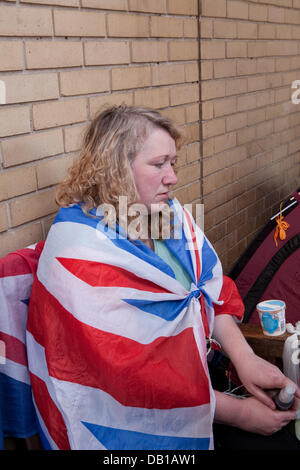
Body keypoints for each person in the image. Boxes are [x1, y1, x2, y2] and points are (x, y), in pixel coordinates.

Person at [27, 105, 300, 450]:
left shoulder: (165, 214)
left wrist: (247, 360)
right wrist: (241, 414)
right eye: (158, 165)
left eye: (173, 163)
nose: (172, 177)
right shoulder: (81, 251)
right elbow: (134, 384)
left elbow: (208, 290)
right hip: (130, 422)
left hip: (199, 382)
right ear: (116, 170)